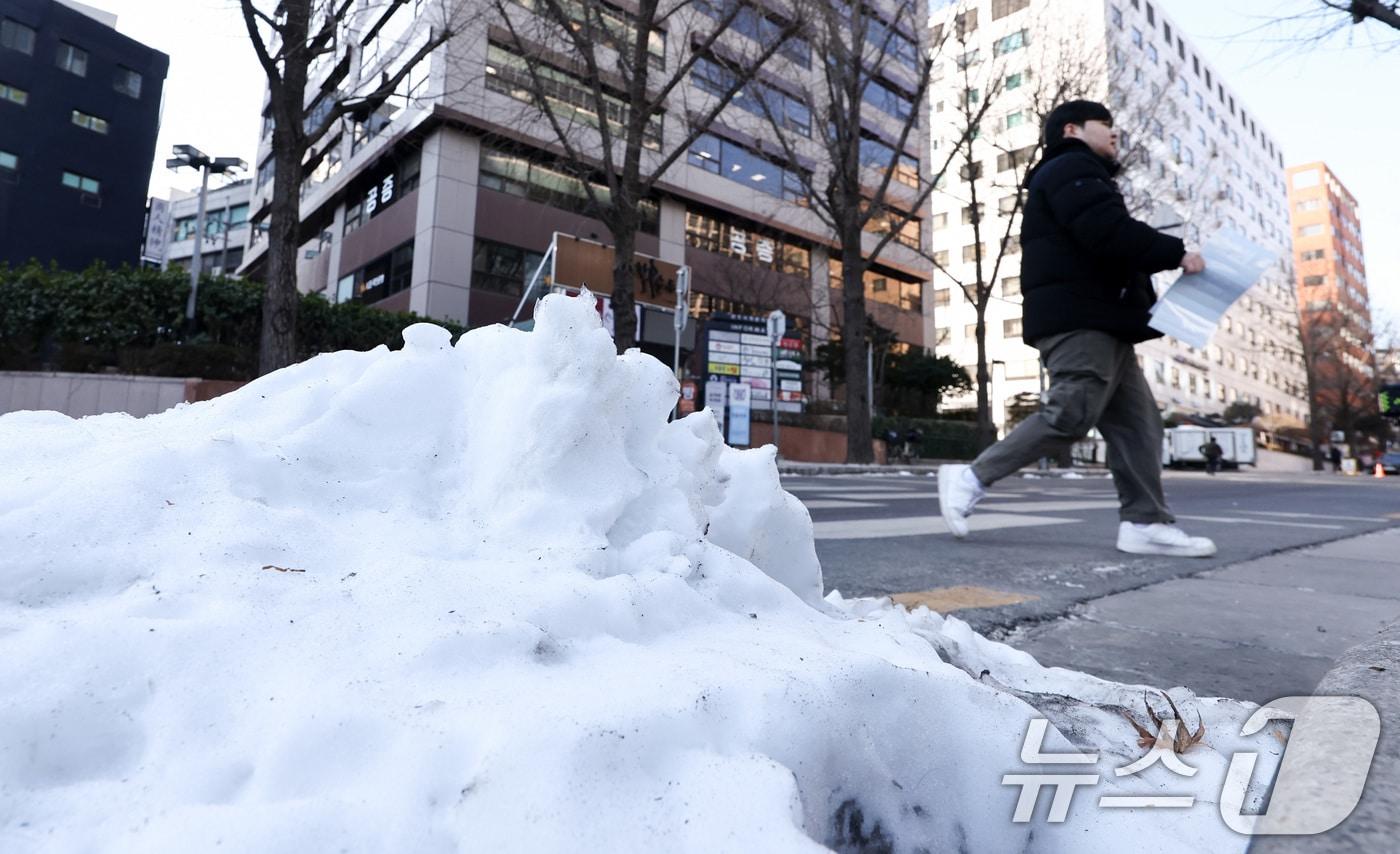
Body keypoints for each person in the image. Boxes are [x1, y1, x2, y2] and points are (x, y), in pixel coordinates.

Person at [938, 100, 1216, 558]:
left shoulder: (1084, 173)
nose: (1115, 134)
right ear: (1072, 129)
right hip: (1079, 319)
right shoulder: (1071, 167)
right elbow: (1107, 232)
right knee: (1071, 411)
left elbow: (1105, 238)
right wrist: (1177, 252)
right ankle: (972, 476)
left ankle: (1144, 523)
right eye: (1105, 125)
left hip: (1104, 321)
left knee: (1138, 428)